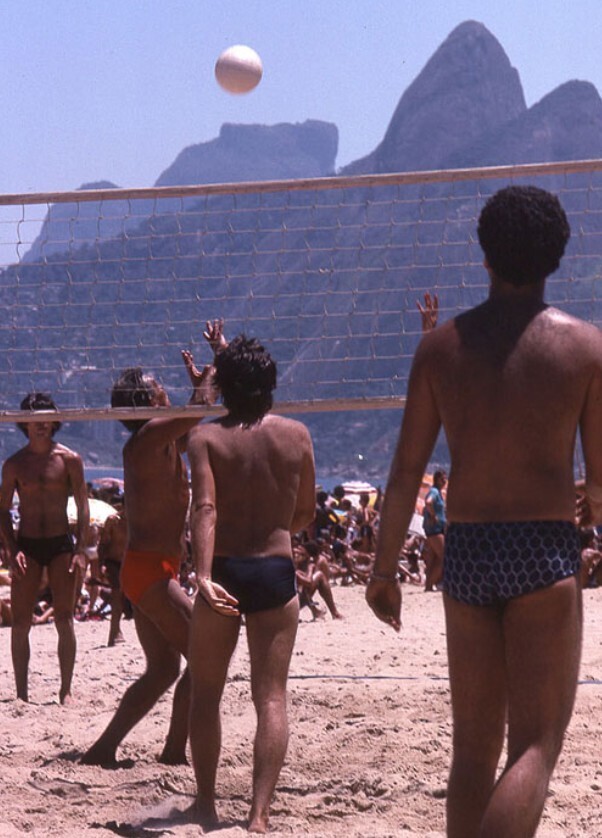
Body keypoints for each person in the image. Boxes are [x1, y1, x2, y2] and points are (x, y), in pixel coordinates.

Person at [366, 185, 602, 838]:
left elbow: (405, 471)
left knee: (472, 752)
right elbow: (601, 479)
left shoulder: (440, 348)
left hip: (468, 550)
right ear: (557, 257)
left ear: (484, 255)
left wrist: (383, 570)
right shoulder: (585, 348)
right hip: (540, 547)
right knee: (535, 746)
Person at [186, 334, 315, 833]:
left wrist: (201, 574)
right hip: (274, 570)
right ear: (270, 384)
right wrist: (276, 528)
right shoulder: (296, 435)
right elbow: (304, 511)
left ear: (223, 386)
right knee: (272, 697)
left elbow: (205, 507)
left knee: (206, 694)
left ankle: (205, 805)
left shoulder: (205, 438)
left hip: (223, 570)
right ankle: (259, 814)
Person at [82, 331, 216, 766]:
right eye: (159, 386)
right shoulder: (148, 439)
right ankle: (175, 752)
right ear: (147, 401)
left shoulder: (158, 441)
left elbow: (193, 415)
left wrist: (198, 386)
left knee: (163, 670)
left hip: (151, 570)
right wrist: (214, 367)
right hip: (151, 571)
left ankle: (104, 749)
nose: (165, 389)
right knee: (207, 654)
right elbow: (200, 411)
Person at [0, 392, 90, 704]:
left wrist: (81, 550)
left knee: (64, 618)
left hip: (60, 543)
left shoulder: (69, 459)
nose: (40, 424)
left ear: (54, 420)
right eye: (34, 418)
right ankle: (22, 694)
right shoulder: (14, 464)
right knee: (21, 621)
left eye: (46, 417)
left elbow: (82, 504)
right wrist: (12, 550)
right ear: (24, 422)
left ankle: (66, 690)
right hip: (26, 544)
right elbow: (2, 511)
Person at [97, 504, 128, 646]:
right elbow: (103, 544)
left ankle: (117, 630)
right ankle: (114, 631)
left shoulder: (137, 521)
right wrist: (100, 565)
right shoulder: (113, 521)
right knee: (117, 594)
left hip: (128, 561)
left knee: (122, 596)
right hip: (113, 561)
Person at [422, 470, 447, 591]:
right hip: (435, 529)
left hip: (435, 529)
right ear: (437, 480)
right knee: (445, 556)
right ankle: (433, 582)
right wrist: (433, 516)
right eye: (443, 479)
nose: (445, 481)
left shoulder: (438, 492)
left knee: (433, 559)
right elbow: (428, 502)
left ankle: (428, 586)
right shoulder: (434, 492)